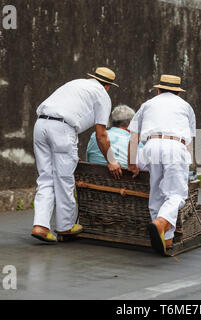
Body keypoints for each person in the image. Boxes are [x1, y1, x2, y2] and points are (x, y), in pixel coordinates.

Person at [31, 67, 122, 243]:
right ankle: (65, 226)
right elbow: (101, 134)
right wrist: (111, 161)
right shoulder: (102, 95)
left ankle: (40, 226)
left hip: (40, 125)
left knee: (45, 178)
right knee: (64, 179)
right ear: (108, 86)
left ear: (93, 78)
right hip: (62, 130)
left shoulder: (76, 84)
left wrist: (70, 154)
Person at [127, 74, 196, 255]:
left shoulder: (148, 104)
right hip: (175, 145)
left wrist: (132, 164)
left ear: (158, 90)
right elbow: (188, 143)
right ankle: (160, 223)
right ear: (178, 93)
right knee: (177, 194)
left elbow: (133, 137)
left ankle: (166, 241)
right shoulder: (185, 106)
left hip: (151, 146)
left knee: (156, 194)